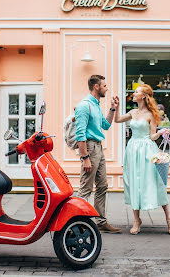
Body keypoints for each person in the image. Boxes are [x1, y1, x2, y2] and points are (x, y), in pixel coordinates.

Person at [114, 84, 170, 235]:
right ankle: (137, 220)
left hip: (148, 151)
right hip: (132, 150)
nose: (133, 93)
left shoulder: (151, 114)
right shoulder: (133, 112)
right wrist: (116, 107)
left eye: (136, 92)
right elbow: (117, 120)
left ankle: (169, 218)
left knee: (155, 183)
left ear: (143, 96)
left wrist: (162, 132)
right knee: (134, 183)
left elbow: (152, 136)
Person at [75, 74, 122, 234]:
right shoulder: (84, 105)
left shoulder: (96, 105)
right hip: (90, 149)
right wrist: (85, 158)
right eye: (104, 86)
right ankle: (75, 222)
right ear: (96, 87)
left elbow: (106, 125)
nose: (107, 88)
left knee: (102, 186)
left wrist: (113, 107)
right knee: (85, 188)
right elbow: (80, 134)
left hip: (98, 149)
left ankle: (101, 222)